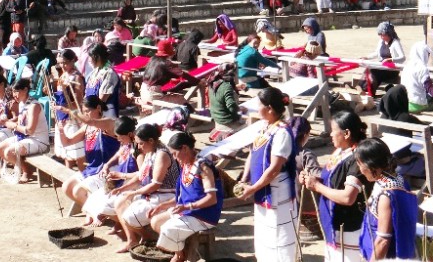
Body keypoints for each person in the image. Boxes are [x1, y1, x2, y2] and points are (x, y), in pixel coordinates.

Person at [237, 86, 298, 262]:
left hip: (277, 191)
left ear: (269, 108)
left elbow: (274, 168)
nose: (257, 108)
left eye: (259, 105)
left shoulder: (282, 133)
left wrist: (253, 187)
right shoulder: (264, 127)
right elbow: (252, 153)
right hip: (262, 188)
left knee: (279, 235)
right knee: (265, 234)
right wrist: (244, 180)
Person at [303, 109, 373, 262]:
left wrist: (317, 187)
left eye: (334, 131)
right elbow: (331, 180)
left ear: (346, 133)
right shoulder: (340, 152)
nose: (330, 134)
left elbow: (348, 197)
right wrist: (312, 180)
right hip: (333, 222)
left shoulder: (357, 159)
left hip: (349, 227)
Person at [150, 131, 224, 262]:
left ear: (184, 148)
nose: (173, 157)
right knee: (156, 221)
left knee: (168, 229)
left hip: (203, 215)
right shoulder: (185, 164)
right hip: (188, 211)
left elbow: (212, 198)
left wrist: (187, 206)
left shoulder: (203, 167)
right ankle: (180, 254)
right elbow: (184, 196)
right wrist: (163, 205)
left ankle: (180, 257)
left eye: (174, 153)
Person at [114, 122, 181, 252]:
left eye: (140, 143)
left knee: (129, 216)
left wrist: (133, 193)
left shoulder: (162, 154)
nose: (138, 146)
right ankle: (133, 240)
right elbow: (141, 176)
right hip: (154, 194)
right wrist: (123, 189)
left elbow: (155, 184)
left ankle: (149, 237)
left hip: (167, 196)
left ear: (151, 140)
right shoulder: (150, 151)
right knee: (120, 202)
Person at [354, 138, 419, 261]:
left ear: (370, 165)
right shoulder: (398, 179)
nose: (359, 170)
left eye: (360, 164)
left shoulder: (386, 196)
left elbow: (383, 240)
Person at [58, 96, 123, 220]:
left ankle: (95, 213)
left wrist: (68, 110)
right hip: (92, 169)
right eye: (84, 111)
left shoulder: (109, 122)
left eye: (88, 111)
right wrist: (61, 131)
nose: (86, 114)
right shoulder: (86, 127)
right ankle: (91, 211)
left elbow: (90, 121)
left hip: (106, 169)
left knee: (78, 190)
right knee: (66, 187)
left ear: (98, 108)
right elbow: (68, 142)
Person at [0, 78, 51, 182]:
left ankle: (26, 171)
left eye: (16, 91)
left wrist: (13, 125)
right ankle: (23, 168)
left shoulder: (34, 106)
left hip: (38, 140)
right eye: (13, 91)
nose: (14, 94)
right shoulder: (21, 103)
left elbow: (30, 130)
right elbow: (20, 120)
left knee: (9, 152)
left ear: (25, 90)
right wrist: (4, 122)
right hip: (24, 138)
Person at [363, 22, 405, 97]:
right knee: (368, 69)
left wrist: (391, 60)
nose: (381, 36)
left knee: (374, 71)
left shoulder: (395, 43)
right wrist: (367, 57)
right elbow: (377, 53)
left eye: (383, 35)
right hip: (382, 66)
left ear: (389, 34)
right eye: (380, 35)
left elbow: (403, 58)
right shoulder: (381, 42)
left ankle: (370, 91)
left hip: (392, 70)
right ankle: (362, 87)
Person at [400, 43, 433, 113]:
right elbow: (431, 91)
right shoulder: (422, 68)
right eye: (427, 54)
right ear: (423, 54)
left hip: (405, 103)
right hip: (418, 105)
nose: (428, 57)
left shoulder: (407, 66)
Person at [206, 64, 242, 141]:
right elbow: (231, 105)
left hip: (216, 118)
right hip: (226, 121)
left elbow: (219, 96)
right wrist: (240, 111)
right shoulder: (226, 86)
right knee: (249, 124)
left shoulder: (212, 82)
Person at [84, 43, 121, 117]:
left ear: (98, 57)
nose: (89, 60)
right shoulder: (94, 72)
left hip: (105, 112)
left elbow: (102, 99)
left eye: (90, 57)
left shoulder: (109, 73)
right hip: (91, 111)